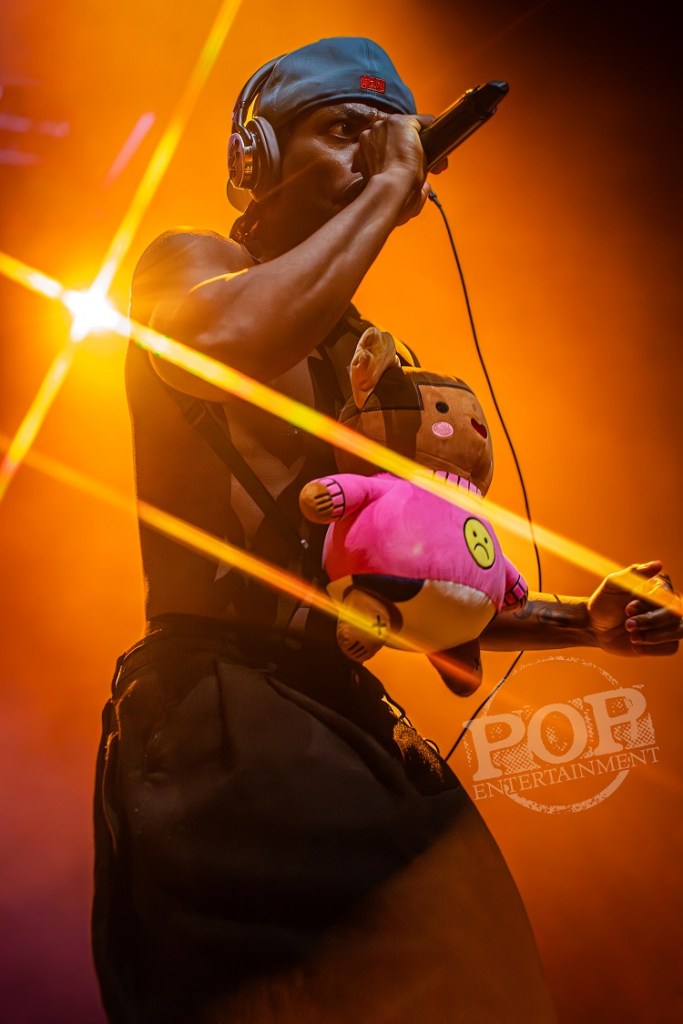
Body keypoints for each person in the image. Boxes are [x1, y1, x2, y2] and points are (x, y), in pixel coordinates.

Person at [92, 37, 682, 1024]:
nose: (374, 154)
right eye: (341, 131)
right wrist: (390, 187)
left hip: (337, 708)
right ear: (254, 160)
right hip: (221, 710)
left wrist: (581, 620)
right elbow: (223, 346)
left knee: (482, 983)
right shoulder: (191, 265)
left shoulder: (367, 361)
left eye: (390, 137)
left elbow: (403, 589)